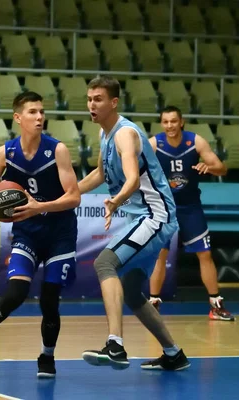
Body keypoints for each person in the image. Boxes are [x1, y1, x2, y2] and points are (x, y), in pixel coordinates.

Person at [0, 91, 81, 378]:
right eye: (32, 112)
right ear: (18, 118)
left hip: (59, 234)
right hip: (27, 231)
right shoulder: (7, 152)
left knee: (49, 299)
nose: (39, 116)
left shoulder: (57, 150)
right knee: (16, 292)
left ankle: (46, 356)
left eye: (41, 111)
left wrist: (42, 206)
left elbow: (74, 196)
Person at [78, 75, 190, 371]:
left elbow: (129, 179)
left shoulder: (124, 134)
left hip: (156, 215)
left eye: (98, 99)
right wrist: (68, 193)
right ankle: (174, 354)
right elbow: (99, 175)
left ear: (113, 103)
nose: (92, 104)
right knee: (130, 290)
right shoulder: (104, 135)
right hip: (145, 218)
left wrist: (115, 201)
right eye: (89, 99)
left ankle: (115, 345)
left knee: (105, 264)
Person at [147, 106, 234, 321]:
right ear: (161, 124)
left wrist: (209, 167)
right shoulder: (154, 144)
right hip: (164, 208)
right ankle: (153, 304)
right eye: (166, 122)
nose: (170, 126)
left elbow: (222, 168)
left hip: (190, 207)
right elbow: (135, 169)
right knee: (160, 255)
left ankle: (216, 304)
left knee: (205, 254)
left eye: (173, 121)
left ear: (181, 121)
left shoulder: (196, 142)